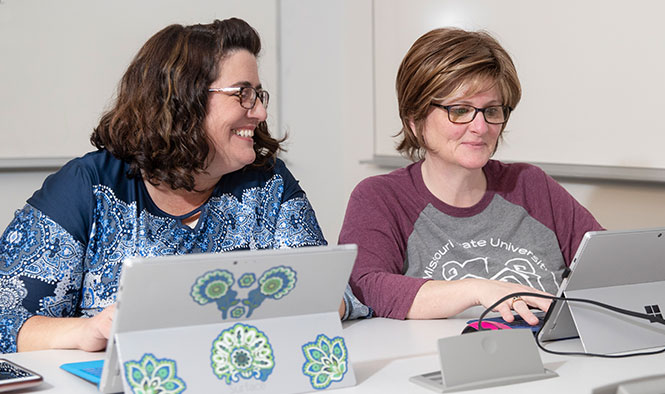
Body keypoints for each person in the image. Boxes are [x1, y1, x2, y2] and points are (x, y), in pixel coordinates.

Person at [0, 17, 369, 354]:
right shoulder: (88, 187)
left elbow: (330, 297)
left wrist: (318, 302)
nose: (259, 112)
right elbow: (5, 315)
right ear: (183, 99)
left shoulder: (269, 183)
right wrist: (85, 333)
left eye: (258, 94)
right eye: (242, 93)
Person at [339, 28, 603, 324]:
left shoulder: (530, 184)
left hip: (556, 361)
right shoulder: (380, 198)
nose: (481, 127)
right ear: (414, 120)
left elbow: (607, 267)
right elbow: (366, 288)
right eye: (460, 110)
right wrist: (477, 290)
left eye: (491, 110)